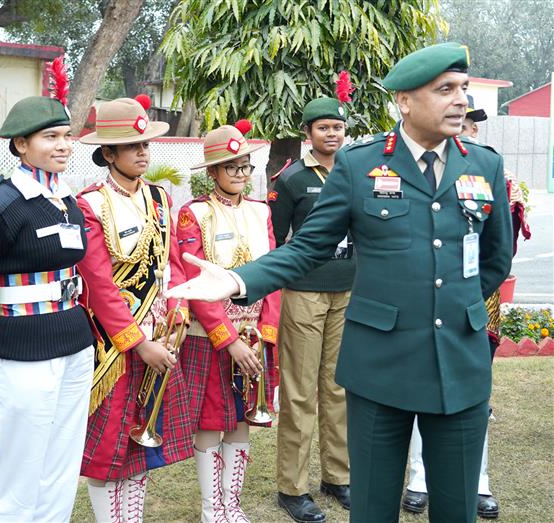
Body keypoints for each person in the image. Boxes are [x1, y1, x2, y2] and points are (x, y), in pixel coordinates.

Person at [166, 42, 513, 522]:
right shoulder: (358, 165)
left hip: (459, 362)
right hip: (380, 366)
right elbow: (307, 247)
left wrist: (458, 308)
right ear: (405, 101)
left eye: (463, 88)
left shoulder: (484, 164)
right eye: (445, 89)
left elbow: (495, 258)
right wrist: (237, 280)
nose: (460, 100)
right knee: (371, 509)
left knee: (456, 510)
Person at [0, 58, 95, 523]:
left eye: (66, 136)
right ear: (21, 144)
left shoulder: (66, 198)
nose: (63, 145)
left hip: (74, 342)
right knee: (15, 469)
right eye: (50, 137)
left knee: (61, 462)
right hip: (18, 350)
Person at [402, 94, 521, 520]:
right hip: (424, 303)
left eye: (470, 122)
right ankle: (418, 478)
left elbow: (501, 248)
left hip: (476, 303)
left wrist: (467, 297)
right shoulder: (419, 169)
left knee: (473, 394)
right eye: (458, 119)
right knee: (420, 384)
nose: (464, 128)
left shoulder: (491, 169)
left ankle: (479, 481)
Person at [76, 95, 193, 522]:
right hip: (115, 344)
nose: (143, 152)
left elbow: (173, 265)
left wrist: (177, 315)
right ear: (108, 154)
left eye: (145, 144)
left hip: (161, 334)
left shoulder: (160, 198)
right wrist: (139, 343)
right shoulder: (90, 204)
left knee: (145, 437)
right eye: (132, 146)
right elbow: (99, 285)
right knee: (110, 446)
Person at [176, 119, 280, 523]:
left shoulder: (261, 211)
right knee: (210, 420)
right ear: (213, 172)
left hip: (253, 334)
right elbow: (195, 281)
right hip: (210, 335)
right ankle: (211, 508)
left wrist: (265, 334)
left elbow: (273, 274)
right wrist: (228, 339)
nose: (240, 174)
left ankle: (231, 504)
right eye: (230, 167)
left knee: (242, 417)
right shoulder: (194, 214)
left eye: (245, 166)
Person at [268, 97, 354, 523]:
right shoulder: (292, 179)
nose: (331, 134)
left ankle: (338, 477)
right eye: (323, 127)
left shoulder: (356, 172)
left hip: (349, 292)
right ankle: (293, 488)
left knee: (339, 388)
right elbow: (275, 238)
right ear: (307, 134)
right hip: (304, 292)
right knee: (300, 392)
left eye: (337, 127)